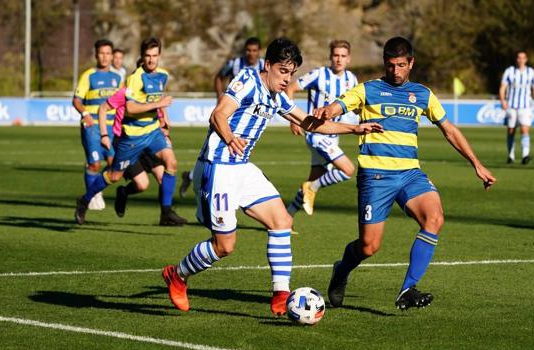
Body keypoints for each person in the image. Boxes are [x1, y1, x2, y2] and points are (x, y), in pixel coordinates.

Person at [161, 37, 383, 315]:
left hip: (242, 167)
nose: (286, 78)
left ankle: (281, 294)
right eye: (282, 71)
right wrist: (229, 138)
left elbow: (310, 123)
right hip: (218, 167)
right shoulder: (247, 81)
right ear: (268, 65)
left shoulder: (277, 97)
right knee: (224, 246)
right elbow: (218, 115)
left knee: (282, 221)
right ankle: (178, 275)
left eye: (291, 73)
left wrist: (355, 129)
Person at [318, 36, 496, 310]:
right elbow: (338, 107)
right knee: (369, 247)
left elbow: (449, 129)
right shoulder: (367, 90)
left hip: (410, 174)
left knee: (434, 218)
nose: (396, 71)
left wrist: (477, 164)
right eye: (390, 66)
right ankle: (341, 269)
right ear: (384, 64)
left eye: (401, 65)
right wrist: (327, 111)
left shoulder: (422, 94)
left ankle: (406, 289)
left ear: (411, 63)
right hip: (376, 177)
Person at [75, 37, 185, 226]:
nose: (151, 60)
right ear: (142, 57)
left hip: (153, 134)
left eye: (155, 55)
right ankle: (85, 200)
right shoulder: (133, 80)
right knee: (114, 176)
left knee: (171, 163)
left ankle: (166, 213)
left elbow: (157, 99)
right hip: (132, 138)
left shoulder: (163, 75)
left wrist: (164, 120)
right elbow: (130, 109)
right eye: (147, 56)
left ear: (160, 56)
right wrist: (103, 134)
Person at [97, 65, 187, 224]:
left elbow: (159, 109)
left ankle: (165, 215)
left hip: (150, 139)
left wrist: (165, 129)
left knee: (164, 175)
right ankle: (123, 192)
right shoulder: (124, 93)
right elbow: (104, 108)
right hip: (129, 141)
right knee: (142, 185)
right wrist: (105, 135)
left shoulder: (152, 94)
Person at [178, 37, 265, 198]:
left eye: (254, 50)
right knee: (221, 147)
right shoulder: (235, 64)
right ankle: (217, 189)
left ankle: (191, 176)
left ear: (258, 51)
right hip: (230, 112)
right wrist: (220, 96)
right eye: (248, 50)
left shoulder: (263, 66)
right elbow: (219, 77)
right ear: (245, 50)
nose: (251, 54)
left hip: (247, 115)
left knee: (235, 151)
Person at [285, 40, 359, 217]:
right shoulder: (319, 74)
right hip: (316, 133)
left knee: (315, 177)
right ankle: (313, 187)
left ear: (348, 59)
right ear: (330, 57)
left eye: (343, 56)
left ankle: (286, 218)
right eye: (336, 55)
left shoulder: (352, 79)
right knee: (348, 170)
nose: (339, 59)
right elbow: (290, 88)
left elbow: (356, 104)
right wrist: (293, 120)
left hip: (334, 135)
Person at [73, 39, 122, 211]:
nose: (105, 57)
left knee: (114, 164)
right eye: (101, 53)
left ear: (112, 55)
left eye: (108, 53)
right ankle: (92, 194)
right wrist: (85, 114)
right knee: (94, 164)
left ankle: (96, 187)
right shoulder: (88, 75)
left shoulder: (117, 78)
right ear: (96, 55)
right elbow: (76, 100)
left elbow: (122, 102)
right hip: (92, 126)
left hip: (111, 128)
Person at [498, 51, 534, 165]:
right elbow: (503, 87)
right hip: (512, 106)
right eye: (519, 58)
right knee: (511, 131)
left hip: (525, 106)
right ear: (516, 59)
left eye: (523, 58)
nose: (521, 60)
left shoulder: (531, 72)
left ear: (526, 59)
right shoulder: (509, 71)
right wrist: (503, 101)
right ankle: (511, 155)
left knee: (524, 130)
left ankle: (525, 155)